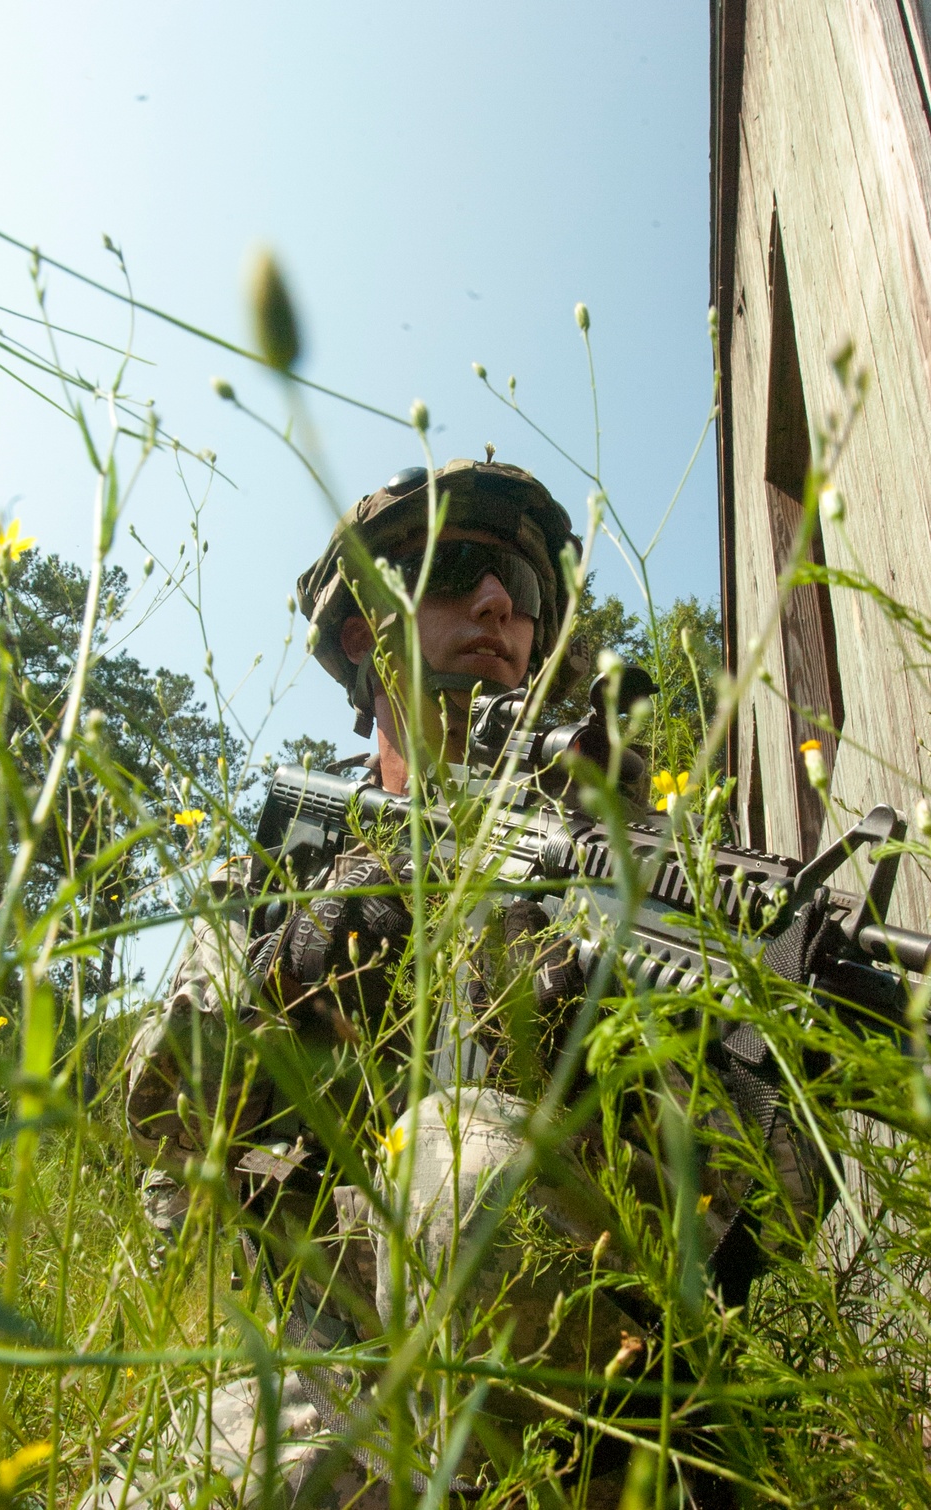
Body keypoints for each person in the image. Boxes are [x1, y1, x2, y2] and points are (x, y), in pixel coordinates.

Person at [122, 458, 823, 1509]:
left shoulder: (631, 855)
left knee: (469, 1161)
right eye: (456, 569)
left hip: (588, 1378)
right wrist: (290, 971)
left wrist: (612, 1061)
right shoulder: (285, 870)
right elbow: (155, 1118)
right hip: (323, 1348)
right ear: (367, 630)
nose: (498, 603)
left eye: (523, 591)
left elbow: (779, 1191)